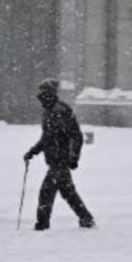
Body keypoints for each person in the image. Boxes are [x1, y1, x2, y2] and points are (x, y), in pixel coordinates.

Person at [23, 79, 95, 230]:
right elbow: (46, 138)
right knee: (68, 193)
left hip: (60, 161)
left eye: (45, 92)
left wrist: (73, 158)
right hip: (54, 160)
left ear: (51, 93)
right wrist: (33, 151)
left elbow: (76, 136)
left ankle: (42, 225)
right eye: (41, 92)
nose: (42, 95)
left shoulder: (61, 111)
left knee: (46, 192)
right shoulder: (48, 111)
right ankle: (86, 218)